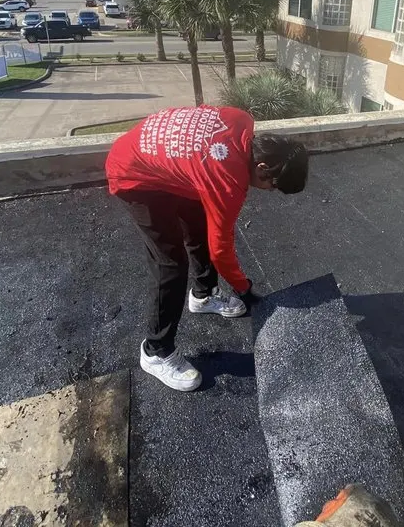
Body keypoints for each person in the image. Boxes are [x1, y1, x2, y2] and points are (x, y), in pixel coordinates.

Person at [106, 105, 309, 392]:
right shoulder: (228, 180)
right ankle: (156, 351)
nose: (269, 190)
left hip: (165, 164)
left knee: (200, 222)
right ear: (262, 168)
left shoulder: (241, 119)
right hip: (134, 175)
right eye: (273, 185)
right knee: (170, 264)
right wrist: (244, 289)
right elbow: (221, 249)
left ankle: (203, 296)